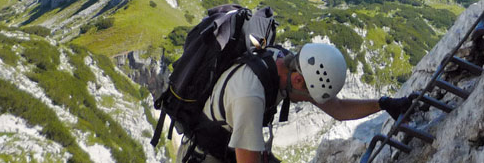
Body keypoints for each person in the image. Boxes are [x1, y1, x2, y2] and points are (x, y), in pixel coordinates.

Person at [177, 39, 415, 163]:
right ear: (299, 80)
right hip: (207, 158)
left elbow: (338, 108)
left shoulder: (285, 62)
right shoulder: (251, 97)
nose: (309, 102)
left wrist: (384, 104)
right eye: (309, 96)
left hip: (230, 148)